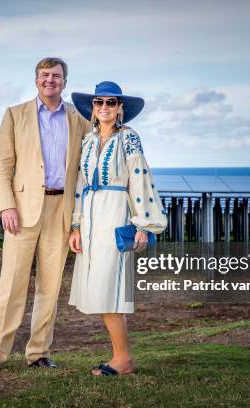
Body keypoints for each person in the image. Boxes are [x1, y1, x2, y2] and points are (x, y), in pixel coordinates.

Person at [0, 57, 90, 372]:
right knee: (12, 282)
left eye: (56, 76)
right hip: (22, 211)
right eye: (44, 75)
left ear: (65, 82)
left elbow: (90, 159)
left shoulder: (79, 118)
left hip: (61, 209)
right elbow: (3, 166)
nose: (50, 80)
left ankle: (38, 353)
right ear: (35, 80)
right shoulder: (14, 115)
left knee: (50, 287)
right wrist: (7, 205)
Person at [68, 81, 167, 376]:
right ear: (93, 108)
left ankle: (123, 360)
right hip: (90, 219)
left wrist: (143, 224)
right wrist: (75, 225)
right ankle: (120, 357)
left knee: (109, 288)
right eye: (99, 102)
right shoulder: (88, 140)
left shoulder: (129, 139)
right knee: (102, 291)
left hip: (116, 215)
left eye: (111, 102)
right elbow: (80, 184)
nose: (104, 108)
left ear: (120, 108)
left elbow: (140, 179)